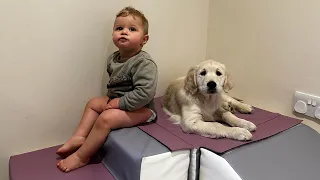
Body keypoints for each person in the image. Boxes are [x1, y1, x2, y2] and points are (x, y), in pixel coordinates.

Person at [56, 6, 158, 172]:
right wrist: (111, 100)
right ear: (113, 34)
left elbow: (145, 94)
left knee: (106, 118)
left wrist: (120, 103)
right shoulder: (113, 59)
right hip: (118, 100)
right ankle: (80, 137)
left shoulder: (144, 63)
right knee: (93, 103)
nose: (124, 32)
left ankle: (81, 157)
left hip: (143, 109)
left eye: (132, 29)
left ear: (144, 39)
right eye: (119, 28)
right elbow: (115, 86)